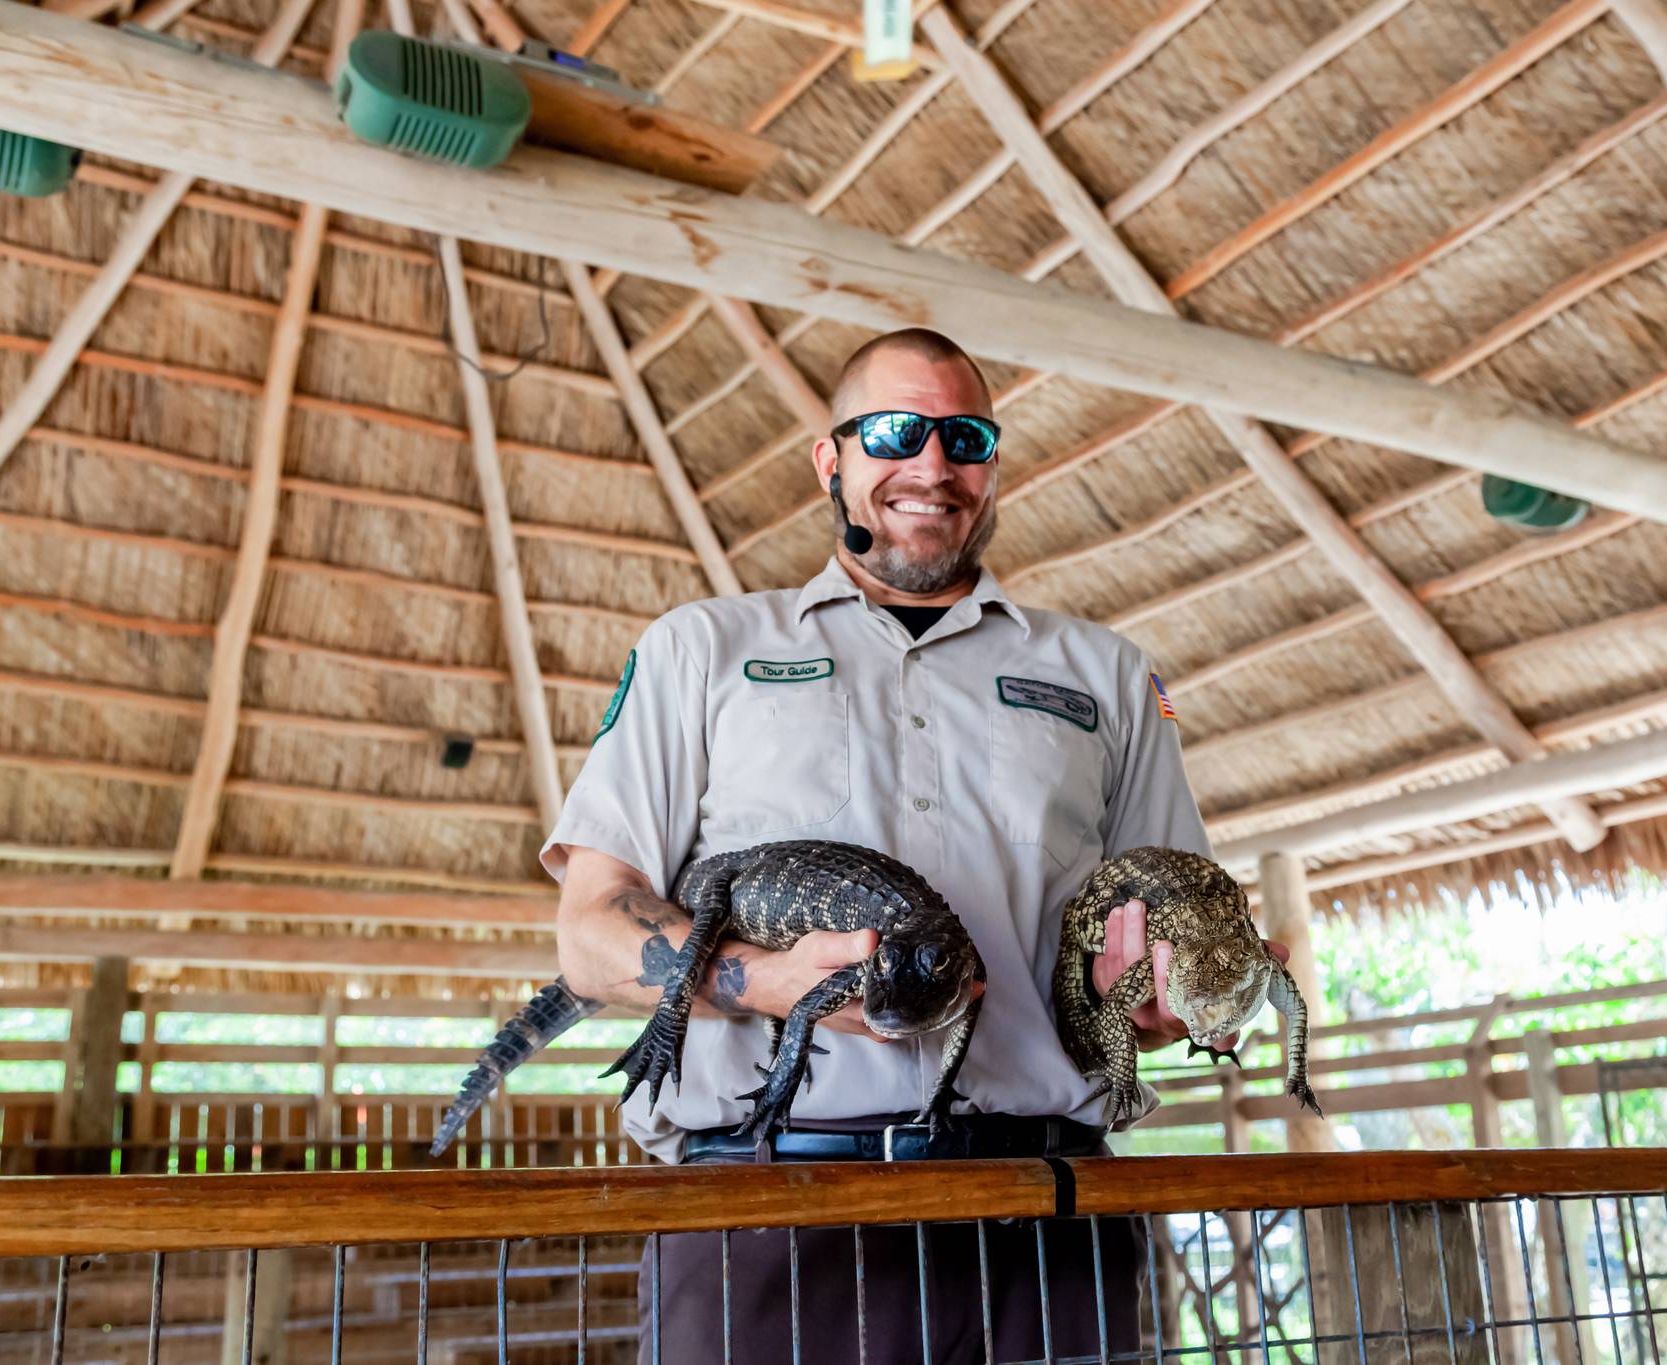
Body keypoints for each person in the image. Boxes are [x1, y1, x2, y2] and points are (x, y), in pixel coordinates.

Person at [540, 328, 1287, 1364]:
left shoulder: (1107, 677)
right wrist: (768, 981)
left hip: (1048, 1212)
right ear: (830, 459)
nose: (931, 465)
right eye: (894, 431)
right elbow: (587, 935)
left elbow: (1146, 965)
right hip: (768, 1208)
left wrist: (1171, 999)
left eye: (964, 437)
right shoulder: (701, 650)